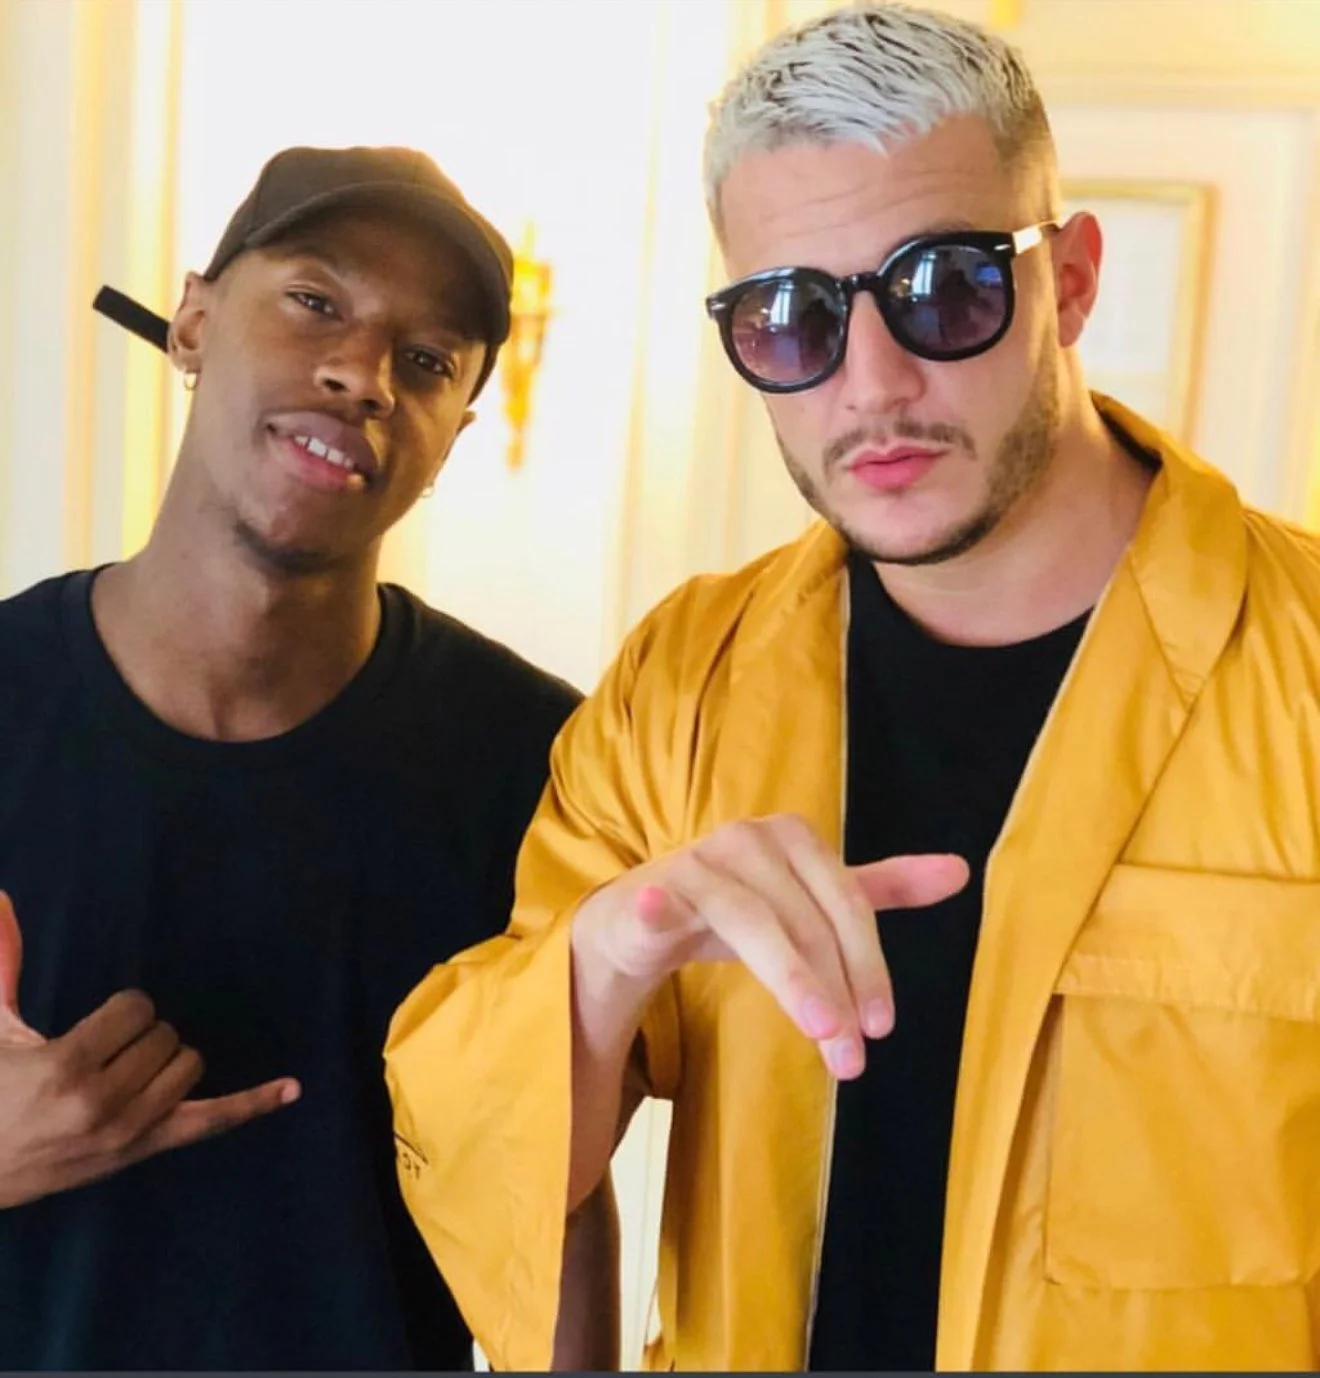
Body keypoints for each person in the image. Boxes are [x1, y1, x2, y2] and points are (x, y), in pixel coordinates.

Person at [385, 4, 1320, 1372]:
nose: (872, 384)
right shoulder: (678, 684)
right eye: (790, 316)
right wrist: (617, 951)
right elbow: (498, 1153)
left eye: (944, 289)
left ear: (1068, 279)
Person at [0, 145, 617, 1371]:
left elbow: (557, 1181)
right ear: (192, 317)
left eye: (429, 360)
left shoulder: (539, 763)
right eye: (316, 303)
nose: (362, 374)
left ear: (452, 437)